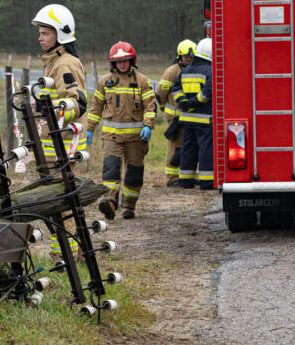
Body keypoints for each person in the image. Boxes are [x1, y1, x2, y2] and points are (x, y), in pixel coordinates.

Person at [31, 4, 87, 258]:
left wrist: (52, 106)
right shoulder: (54, 62)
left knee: (60, 206)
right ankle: (66, 255)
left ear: (61, 35)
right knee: (55, 204)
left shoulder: (65, 64)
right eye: (40, 33)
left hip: (62, 148)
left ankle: (66, 257)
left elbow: (78, 101)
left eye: (45, 33)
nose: (40, 38)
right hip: (52, 148)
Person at [86, 41, 156, 220]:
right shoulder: (105, 82)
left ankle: (129, 206)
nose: (123, 64)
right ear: (113, 63)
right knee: (110, 172)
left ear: (132, 60)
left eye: (126, 60)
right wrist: (89, 129)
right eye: (119, 61)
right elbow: (96, 108)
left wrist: (148, 125)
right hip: (112, 138)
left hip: (136, 139)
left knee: (133, 175)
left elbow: (150, 107)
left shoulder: (142, 81)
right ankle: (109, 202)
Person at [171, 37, 214, 189]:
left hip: (187, 120)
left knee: (188, 150)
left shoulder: (186, 70)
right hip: (204, 120)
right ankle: (207, 182)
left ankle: (185, 180)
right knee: (205, 151)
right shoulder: (210, 70)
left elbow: (175, 89)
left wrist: (183, 102)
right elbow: (207, 93)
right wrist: (193, 102)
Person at [156, 40, 196, 187]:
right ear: (180, 56)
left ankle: (187, 175)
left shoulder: (195, 69)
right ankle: (172, 177)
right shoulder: (172, 72)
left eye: (191, 57)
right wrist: (164, 109)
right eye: (186, 57)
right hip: (175, 117)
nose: (188, 59)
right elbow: (160, 93)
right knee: (176, 147)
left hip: (191, 116)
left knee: (190, 146)